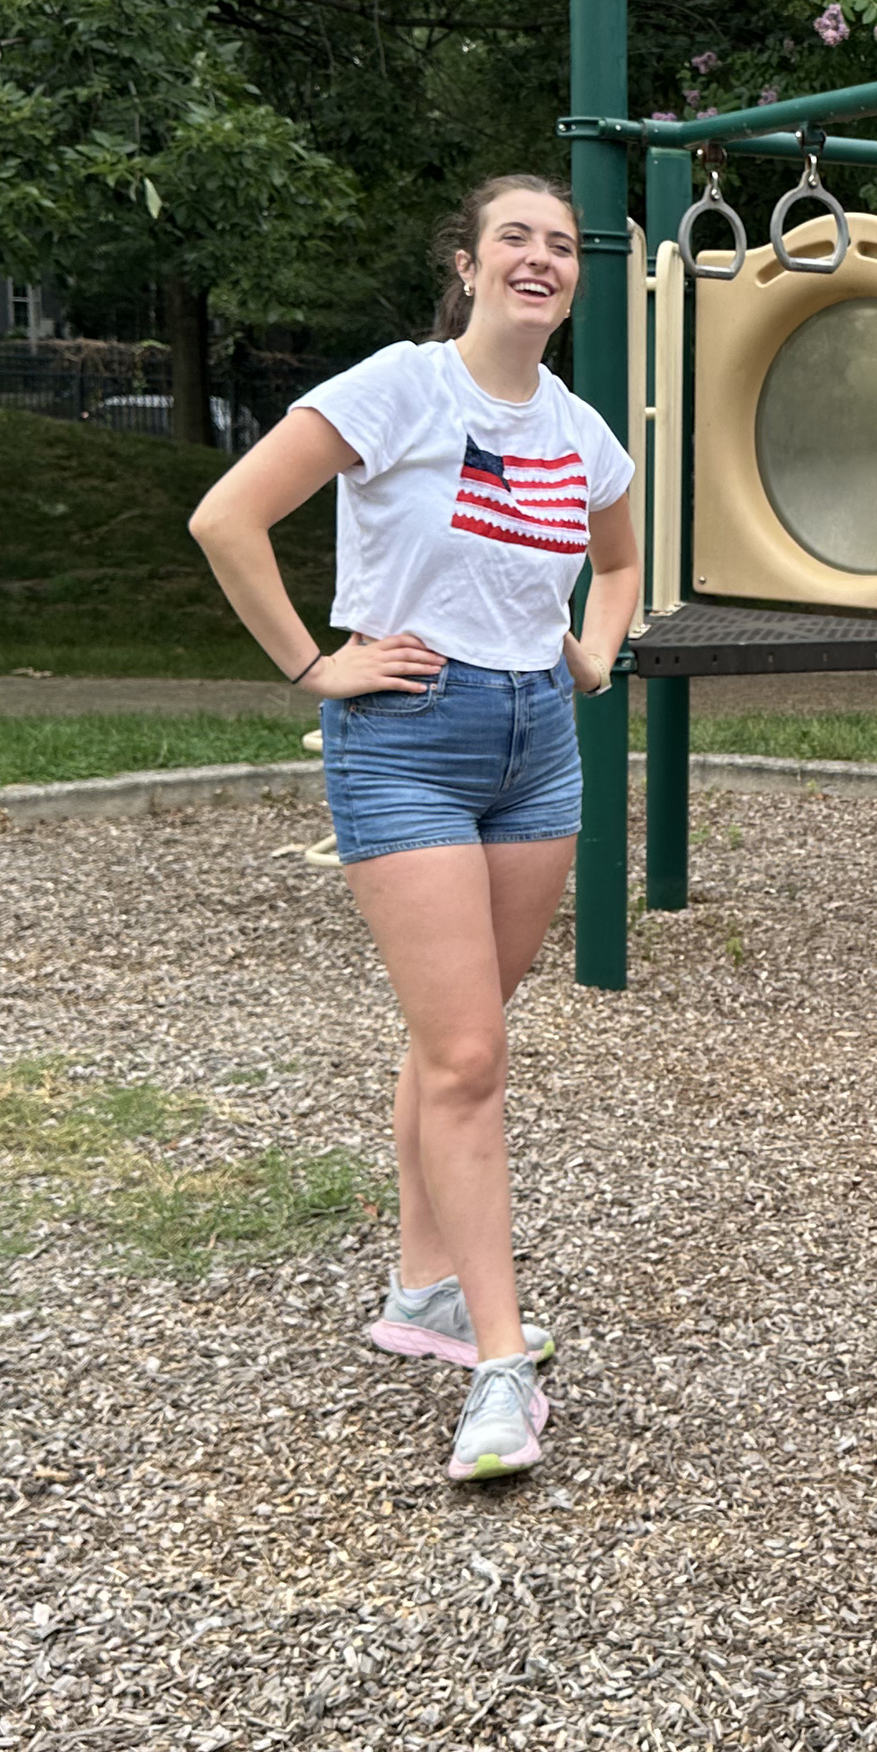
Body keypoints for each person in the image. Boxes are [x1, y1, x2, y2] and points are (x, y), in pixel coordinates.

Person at [189, 175, 641, 1483]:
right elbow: (228, 516)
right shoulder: (400, 385)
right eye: (518, 238)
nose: (541, 258)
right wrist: (313, 666)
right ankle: (500, 1367)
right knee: (469, 1053)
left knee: (458, 1047)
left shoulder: (578, 430)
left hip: (534, 747)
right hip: (409, 733)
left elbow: (616, 564)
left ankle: (423, 1294)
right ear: (467, 262)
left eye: (562, 245)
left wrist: (594, 659)